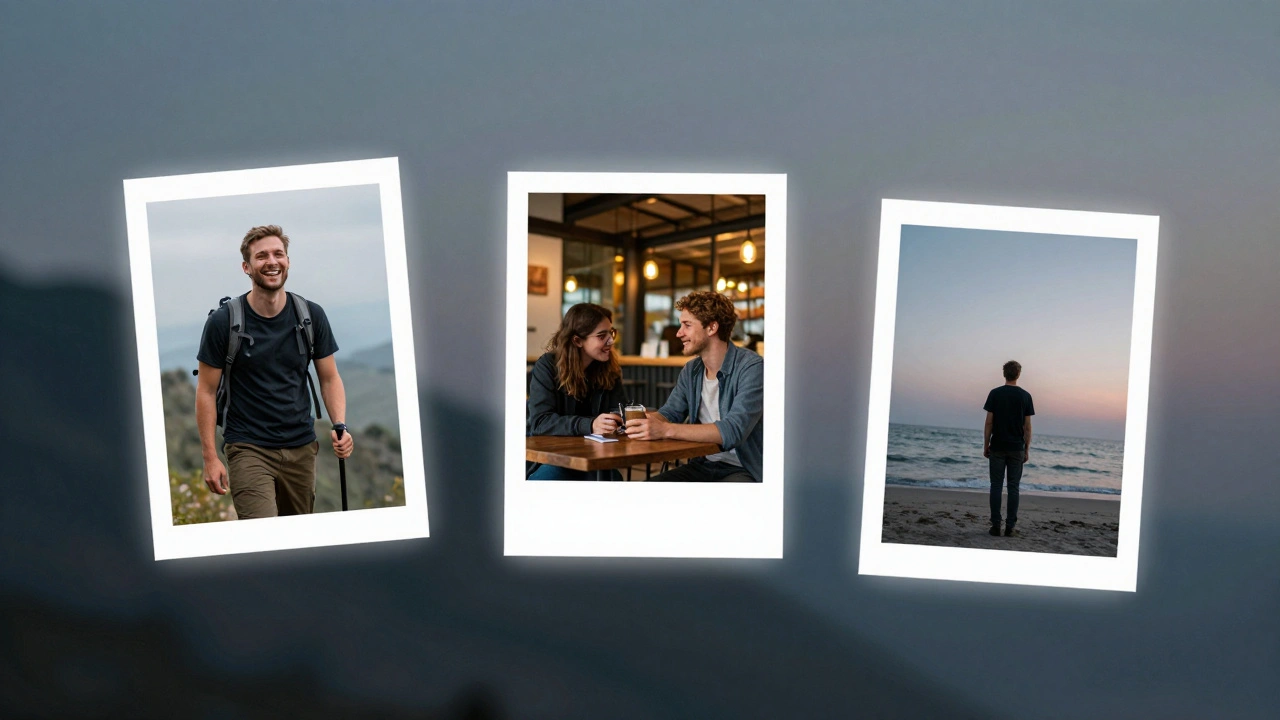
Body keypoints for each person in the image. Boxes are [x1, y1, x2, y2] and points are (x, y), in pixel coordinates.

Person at [195, 225, 353, 518]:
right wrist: (210, 456)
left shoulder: (310, 315)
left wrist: (340, 425)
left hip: (302, 447)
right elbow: (205, 390)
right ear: (246, 267)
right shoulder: (224, 322)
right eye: (261, 256)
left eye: (279, 254)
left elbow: (329, 378)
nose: (272, 261)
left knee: (298, 539)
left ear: (288, 261)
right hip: (247, 447)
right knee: (263, 539)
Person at [626, 291, 764, 483]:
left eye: (687, 325)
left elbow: (732, 431)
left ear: (712, 328)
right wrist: (638, 421)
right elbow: (669, 413)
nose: (678, 333)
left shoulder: (752, 367)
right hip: (702, 465)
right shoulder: (692, 370)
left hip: (742, 469)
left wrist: (665, 430)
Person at [526, 303, 628, 480]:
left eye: (611, 333)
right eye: (602, 336)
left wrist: (621, 420)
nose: (610, 341)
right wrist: (590, 425)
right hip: (552, 458)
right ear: (577, 340)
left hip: (595, 457)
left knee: (612, 479)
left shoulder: (609, 369)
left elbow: (619, 411)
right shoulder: (548, 366)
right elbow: (540, 422)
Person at [983, 360, 1035, 536]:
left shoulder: (995, 393)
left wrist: (986, 444)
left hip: (997, 445)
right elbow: (1027, 427)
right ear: (1018, 374)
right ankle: (1010, 527)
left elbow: (989, 422)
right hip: (1016, 448)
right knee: (1013, 487)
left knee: (996, 485)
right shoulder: (1026, 396)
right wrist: (1026, 449)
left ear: (1004, 374)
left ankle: (996, 526)